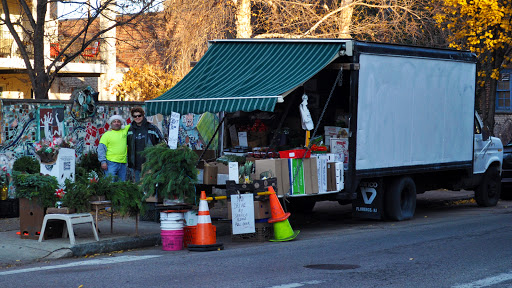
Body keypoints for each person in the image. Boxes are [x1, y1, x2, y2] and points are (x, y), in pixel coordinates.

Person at [127, 107, 164, 182]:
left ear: (143, 115)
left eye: (139, 115)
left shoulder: (152, 128)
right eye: (135, 116)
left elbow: (161, 142)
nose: (137, 117)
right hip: (136, 164)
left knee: (149, 186)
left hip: (149, 162)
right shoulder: (130, 130)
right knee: (138, 186)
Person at [98, 115, 130, 182]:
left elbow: (135, 123)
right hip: (110, 163)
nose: (116, 123)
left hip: (122, 163)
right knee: (109, 184)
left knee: (121, 185)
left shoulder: (124, 130)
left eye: (118, 121)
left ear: (121, 123)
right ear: (111, 123)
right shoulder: (106, 135)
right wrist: (103, 162)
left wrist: (146, 121)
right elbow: (101, 149)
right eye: (114, 122)